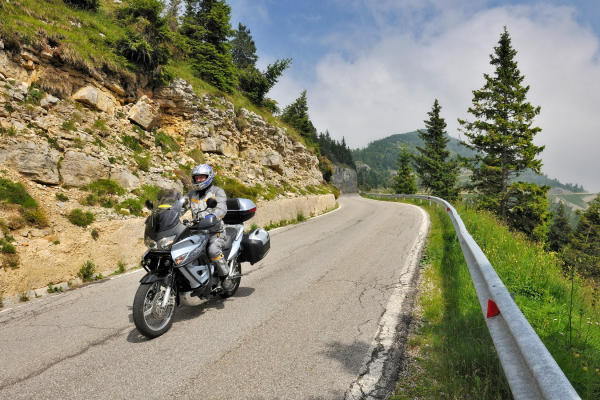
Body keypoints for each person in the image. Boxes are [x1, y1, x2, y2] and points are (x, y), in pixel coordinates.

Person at [185, 164, 229, 285]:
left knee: (213, 250)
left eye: (201, 177)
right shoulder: (191, 194)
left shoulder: (218, 191)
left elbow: (222, 207)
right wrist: (169, 211)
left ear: (208, 177)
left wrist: (214, 216)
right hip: (197, 232)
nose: (198, 180)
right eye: (196, 178)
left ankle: (225, 276)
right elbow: (181, 206)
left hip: (215, 231)